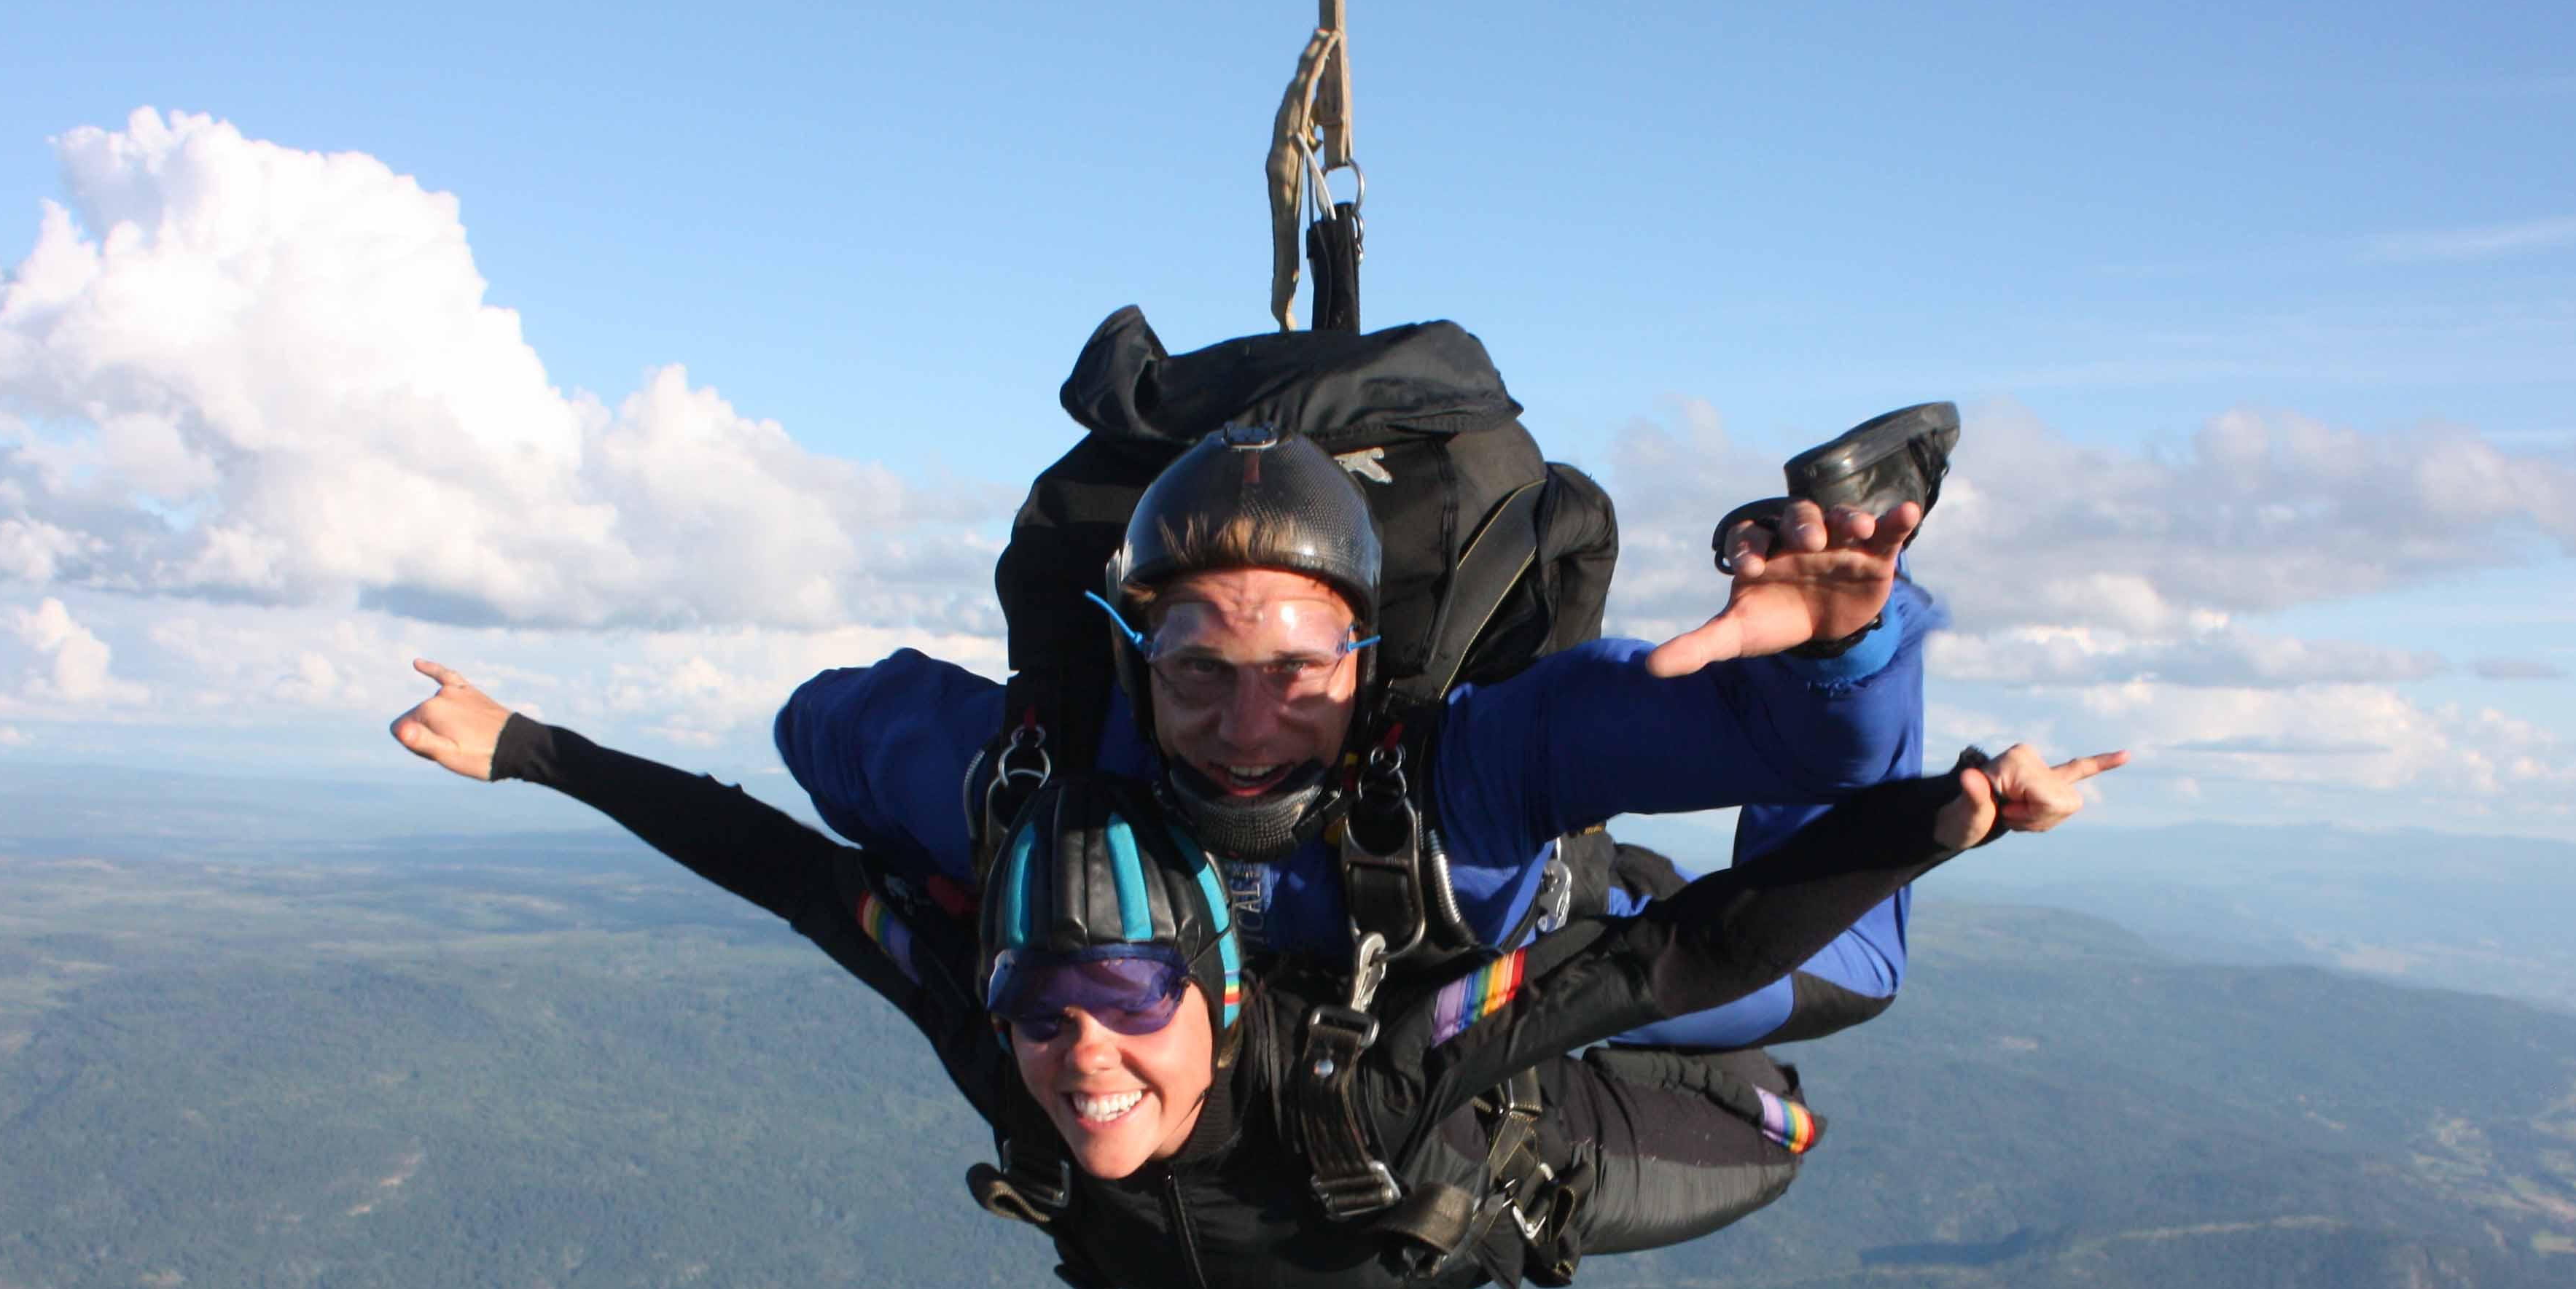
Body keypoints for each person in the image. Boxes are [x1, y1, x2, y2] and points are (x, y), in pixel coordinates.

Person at [391, 661, 2121, 1289]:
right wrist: (532, 751)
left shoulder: (1361, 1069)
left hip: (1528, 1138)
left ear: (1215, 993)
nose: (1080, 1059)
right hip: (1403, 1194)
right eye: (1045, 1010)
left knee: (1832, 1006)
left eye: (1127, 1004)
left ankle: (1860, 656)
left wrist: (1956, 808)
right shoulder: (994, 1034)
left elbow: (1684, 957)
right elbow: (770, 862)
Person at [776, 424, 1934, 1045]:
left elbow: (1802, 752)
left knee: (1854, 971)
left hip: (1536, 963)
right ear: (1136, 667)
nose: (1246, 728)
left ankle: (1886, 496)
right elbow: (822, 728)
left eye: (1297, 670)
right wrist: (968, 868)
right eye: (1196, 670)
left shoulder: (1474, 769)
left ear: (1370, 661)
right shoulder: (1042, 781)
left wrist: (1840, 652)